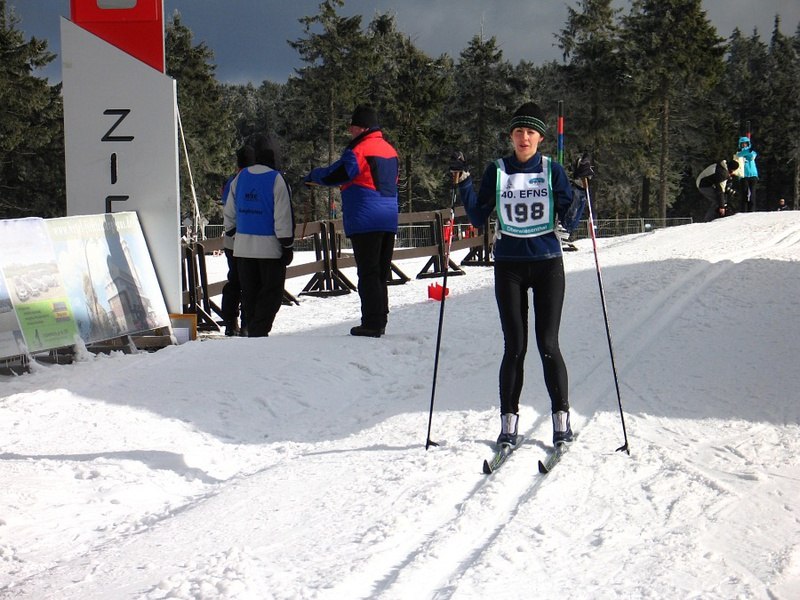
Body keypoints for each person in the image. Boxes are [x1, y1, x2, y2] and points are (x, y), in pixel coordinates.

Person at [451, 101, 588, 449]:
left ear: (540, 137)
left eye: (530, 132)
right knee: (514, 347)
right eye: (518, 131)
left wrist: (582, 187)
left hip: (547, 264)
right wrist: (463, 181)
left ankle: (561, 422)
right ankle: (508, 425)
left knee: (548, 345)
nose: (523, 138)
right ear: (511, 136)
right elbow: (478, 217)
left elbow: (570, 221)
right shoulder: (497, 170)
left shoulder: (551, 170)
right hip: (509, 265)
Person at [304, 105, 400, 338]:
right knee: (380, 273)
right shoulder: (391, 150)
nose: (350, 131)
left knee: (368, 273)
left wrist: (312, 176)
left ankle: (371, 323)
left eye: (353, 127)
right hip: (388, 218)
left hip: (366, 218)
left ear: (363, 127)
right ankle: (381, 318)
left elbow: (336, 174)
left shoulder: (358, 150)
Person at [223, 134, 295, 338]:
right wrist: (286, 245)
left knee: (250, 294)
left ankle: (252, 330)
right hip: (270, 249)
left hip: (243, 248)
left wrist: (233, 232)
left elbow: (229, 212)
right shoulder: (276, 179)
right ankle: (259, 331)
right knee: (270, 293)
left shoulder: (240, 177)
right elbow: (282, 216)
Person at [220, 144, 255, 336]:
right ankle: (246, 322)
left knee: (234, 280)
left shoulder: (231, 182)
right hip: (248, 240)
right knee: (249, 282)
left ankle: (230, 322)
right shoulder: (251, 181)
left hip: (231, 241)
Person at [736, 136, 759, 212]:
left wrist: (749, 151)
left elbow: (752, 157)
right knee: (744, 193)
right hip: (743, 175)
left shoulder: (753, 152)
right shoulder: (738, 153)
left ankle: (752, 210)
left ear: (748, 144)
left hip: (753, 175)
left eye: (745, 143)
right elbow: (739, 155)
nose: (744, 145)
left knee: (752, 193)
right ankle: (743, 210)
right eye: (742, 144)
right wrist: (748, 151)